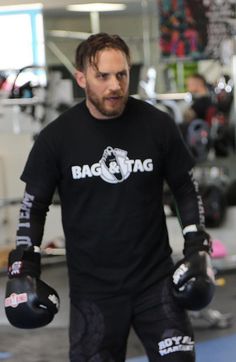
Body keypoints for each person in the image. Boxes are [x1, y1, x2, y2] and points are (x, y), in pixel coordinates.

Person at [5, 33, 215, 362]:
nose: (114, 86)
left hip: (156, 283)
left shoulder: (157, 126)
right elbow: (34, 208)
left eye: (121, 75)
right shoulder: (56, 139)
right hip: (94, 291)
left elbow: (185, 189)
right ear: (81, 78)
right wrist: (23, 268)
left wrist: (197, 247)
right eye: (102, 76)